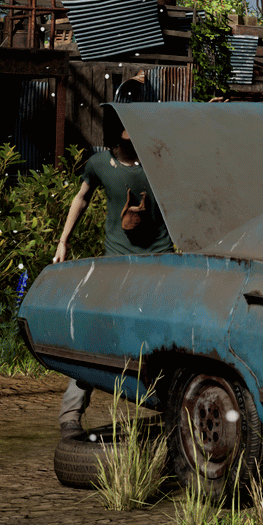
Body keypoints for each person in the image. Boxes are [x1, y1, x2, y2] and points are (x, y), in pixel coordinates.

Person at [51, 115, 172, 436]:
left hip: (158, 263)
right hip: (116, 264)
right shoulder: (99, 164)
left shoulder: (159, 161)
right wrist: (63, 241)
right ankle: (71, 412)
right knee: (97, 336)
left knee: (161, 339)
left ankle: (173, 408)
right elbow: (81, 197)